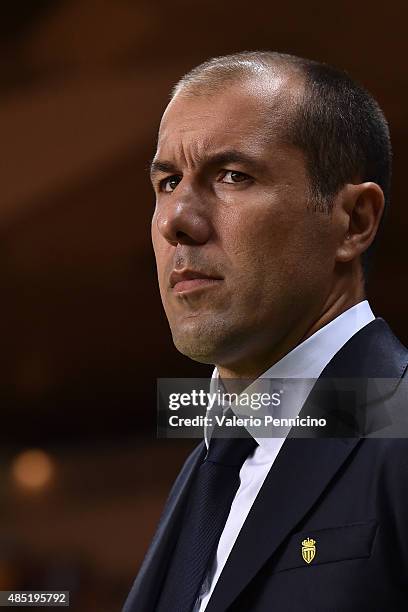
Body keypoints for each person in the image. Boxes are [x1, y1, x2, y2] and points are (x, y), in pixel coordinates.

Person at [122, 51, 408, 611]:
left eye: (233, 176)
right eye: (168, 181)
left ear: (354, 222)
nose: (176, 220)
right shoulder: (212, 465)